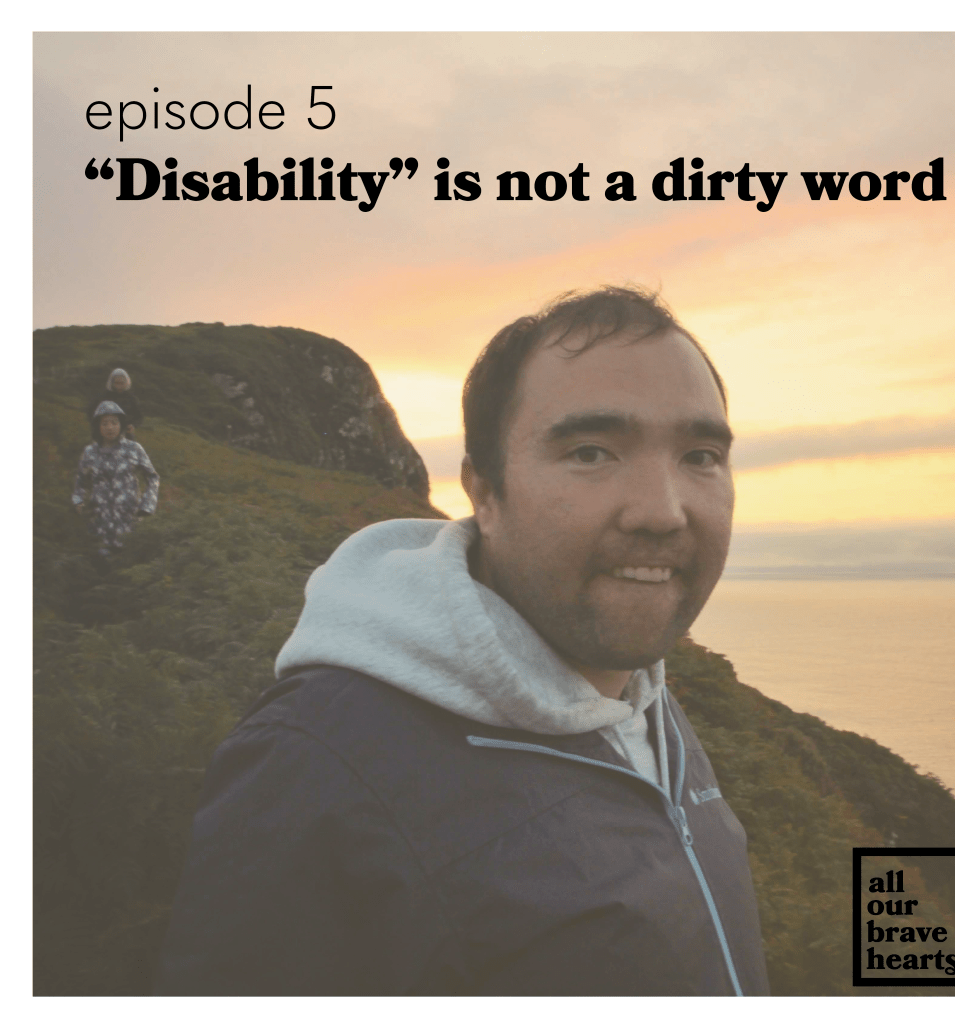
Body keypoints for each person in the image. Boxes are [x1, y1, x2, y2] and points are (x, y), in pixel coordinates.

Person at [156, 287, 770, 996]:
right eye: (591, 452)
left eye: (700, 455)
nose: (662, 511)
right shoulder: (315, 767)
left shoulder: (647, 703)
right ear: (484, 492)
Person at [72, 400, 159, 556]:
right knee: (100, 561)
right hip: (99, 522)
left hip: (129, 519)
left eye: (114, 422)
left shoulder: (134, 448)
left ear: (121, 424)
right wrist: (78, 501)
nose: (110, 427)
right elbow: (80, 480)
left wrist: (147, 505)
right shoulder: (90, 452)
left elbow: (152, 477)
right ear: (98, 427)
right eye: (104, 423)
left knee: (129, 560)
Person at [87, 368, 143, 439]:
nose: (119, 386)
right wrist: (98, 426)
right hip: (105, 433)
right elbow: (91, 412)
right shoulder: (103, 397)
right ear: (112, 383)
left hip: (125, 433)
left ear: (127, 383)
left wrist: (133, 425)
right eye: (117, 383)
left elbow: (139, 416)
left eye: (122, 383)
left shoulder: (131, 398)